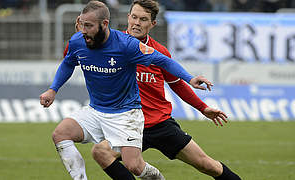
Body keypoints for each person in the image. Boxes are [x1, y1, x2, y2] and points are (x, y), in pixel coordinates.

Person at [70, 0, 241, 179]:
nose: (137, 23)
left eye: (143, 19)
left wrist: (202, 108)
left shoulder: (158, 52)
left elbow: (177, 84)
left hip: (160, 124)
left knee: (207, 165)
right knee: (101, 152)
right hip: (127, 124)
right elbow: (84, 47)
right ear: (128, 17)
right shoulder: (110, 44)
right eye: (134, 17)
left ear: (152, 24)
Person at [40, 1, 211, 180]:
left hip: (126, 115)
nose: (83, 30)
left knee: (135, 166)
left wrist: (190, 78)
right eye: (82, 25)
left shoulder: (127, 45)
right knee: (60, 134)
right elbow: (68, 62)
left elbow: (163, 61)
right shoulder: (78, 40)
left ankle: (157, 178)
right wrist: (53, 89)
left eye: (89, 26)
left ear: (104, 24)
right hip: (96, 110)